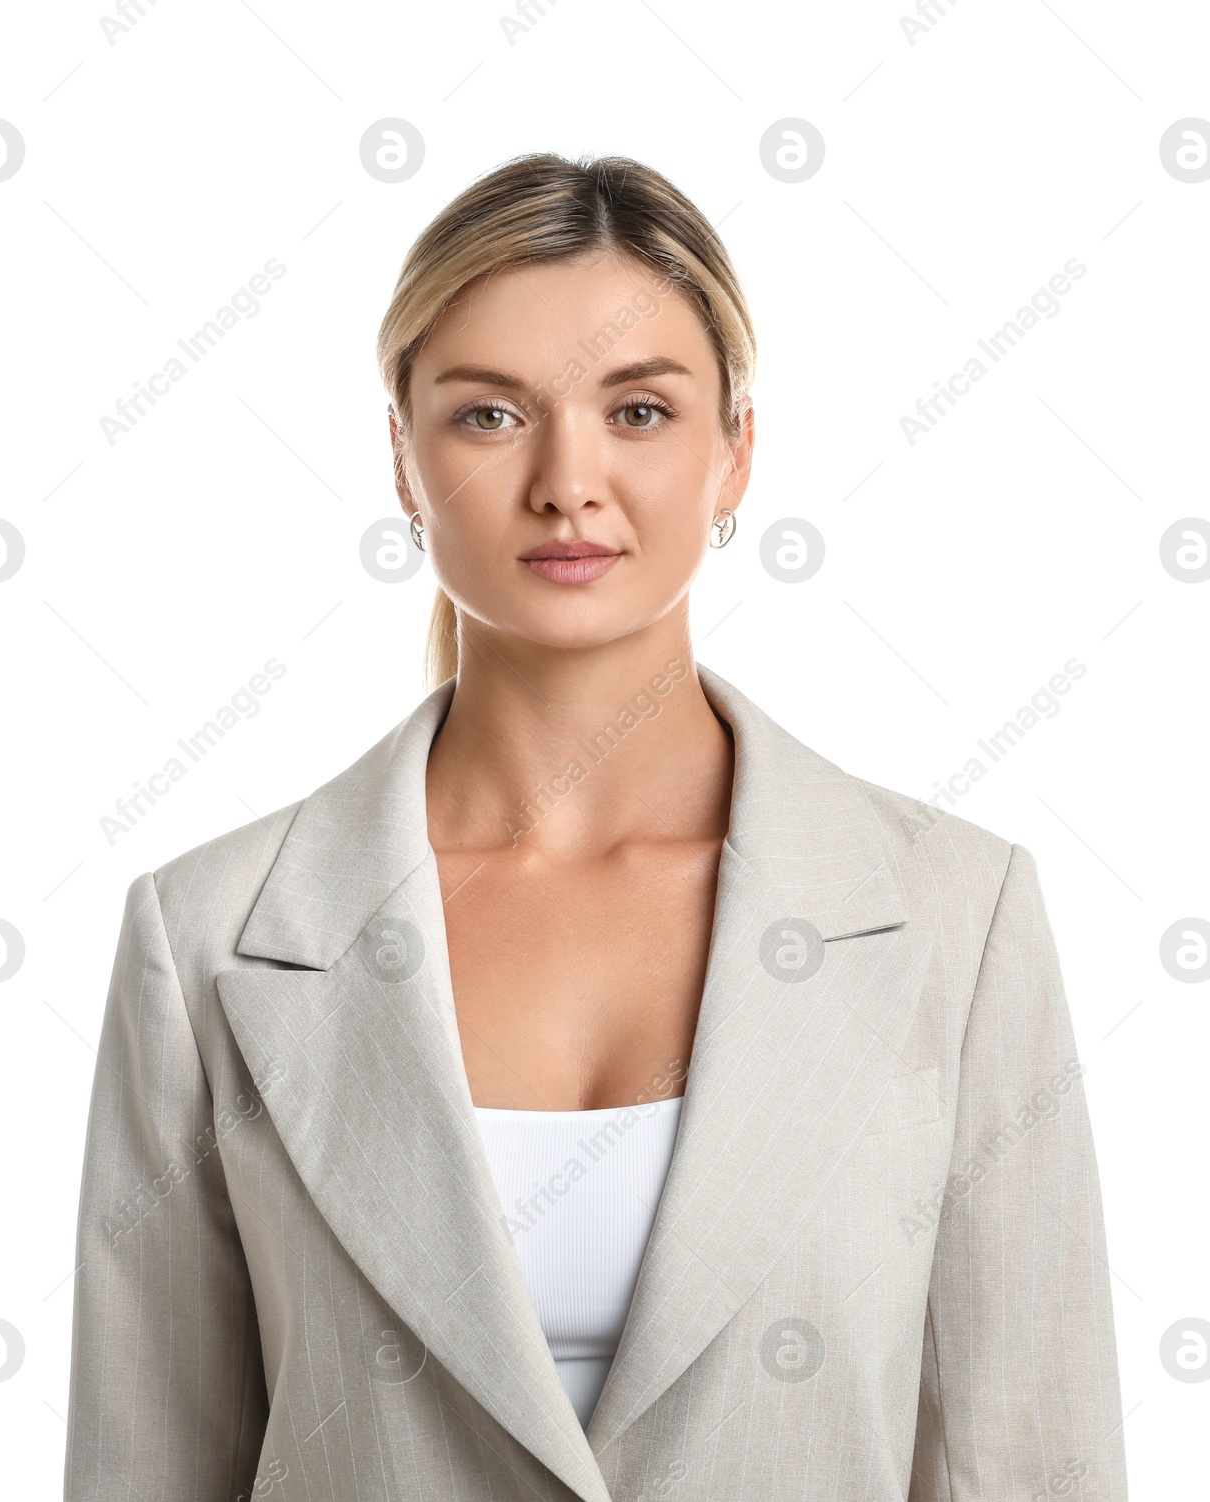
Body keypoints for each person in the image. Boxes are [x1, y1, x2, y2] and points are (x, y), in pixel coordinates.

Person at [64, 152, 1129, 1502]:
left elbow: (1032, 1464)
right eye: (492, 415)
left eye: (637, 409)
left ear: (737, 448)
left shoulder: (956, 921)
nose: (570, 481)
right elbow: (144, 1464)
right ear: (401, 453)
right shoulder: (208, 936)